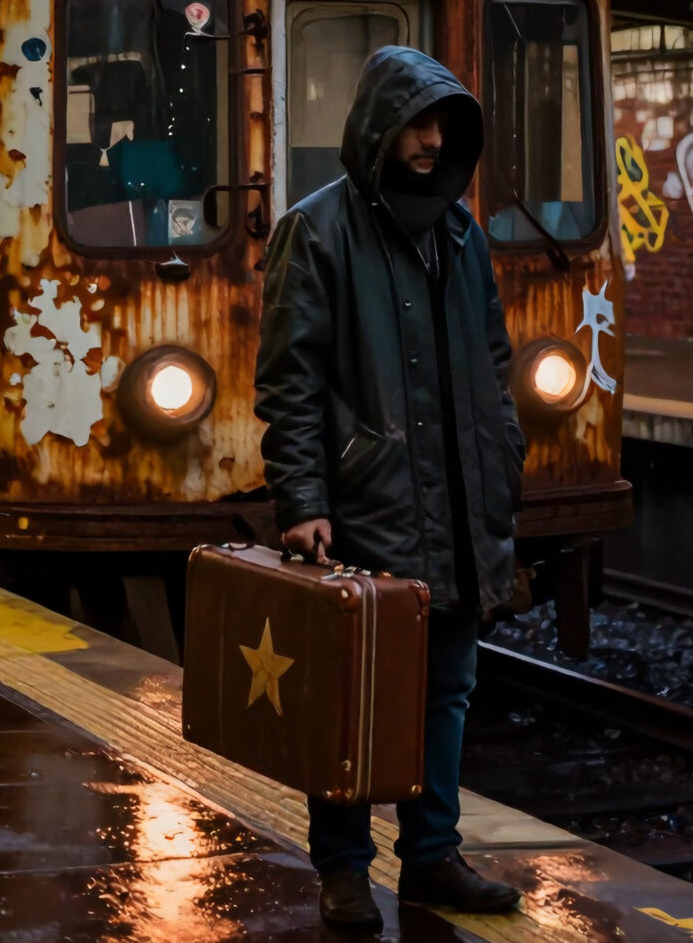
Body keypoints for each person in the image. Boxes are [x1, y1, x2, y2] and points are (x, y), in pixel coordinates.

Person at [254, 46, 528, 931]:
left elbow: (492, 356)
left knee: (446, 688)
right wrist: (302, 501)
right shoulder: (318, 230)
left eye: (441, 123)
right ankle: (342, 868)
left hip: (454, 496)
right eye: (415, 122)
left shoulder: (459, 231)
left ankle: (431, 859)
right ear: (377, 126)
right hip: (369, 503)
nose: (430, 139)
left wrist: (504, 450)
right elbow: (290, 381)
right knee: (351, 693)